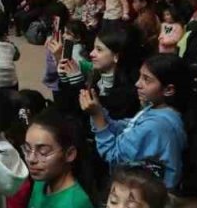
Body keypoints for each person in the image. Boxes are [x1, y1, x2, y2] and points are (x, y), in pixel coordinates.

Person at [76, 53, 189, 193]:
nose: (138, 84)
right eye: (140, 76)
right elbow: (125, 129)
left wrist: (97, 116)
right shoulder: (155, 109)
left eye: (147, 80)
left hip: (145, 197)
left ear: (168, 90)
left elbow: (114, 157)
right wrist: (99, 110)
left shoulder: (157, 126)